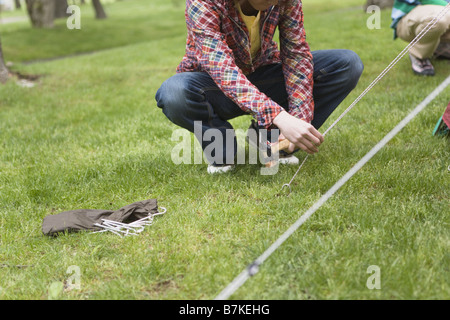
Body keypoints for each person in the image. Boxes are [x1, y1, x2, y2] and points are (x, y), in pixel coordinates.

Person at [156, 0, 364, 174]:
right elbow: (221, 68)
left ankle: (270, 141)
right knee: (174, 92)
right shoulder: (203, 2)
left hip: (263, 74)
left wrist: (300, 116)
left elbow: (296, 57)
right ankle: (222, 151)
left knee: (346, 64)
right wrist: (280, 116)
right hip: (212, 86)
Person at [391, 0, 450, 76]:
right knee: (438, 19)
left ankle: (439, 47)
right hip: (408, 20)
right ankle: (418, 55)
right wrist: (446, 5)